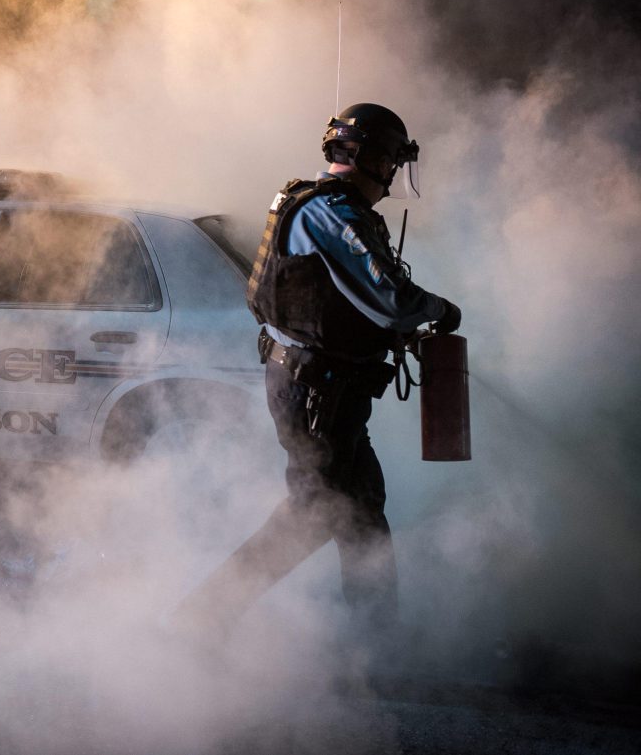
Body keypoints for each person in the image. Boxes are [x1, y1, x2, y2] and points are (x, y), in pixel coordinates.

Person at [175, 103, 461, 635]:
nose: (394, 175)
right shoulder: (335, 213)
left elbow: (342, 299)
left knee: (362, 508)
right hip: (315, 392)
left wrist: (388, 332)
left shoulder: (325, 204)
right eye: (392, 162)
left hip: (328, 390)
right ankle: (202, 618)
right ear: (371, 157)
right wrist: (439, 312)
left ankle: (375, 643)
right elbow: (392, 296)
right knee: (315, 513)